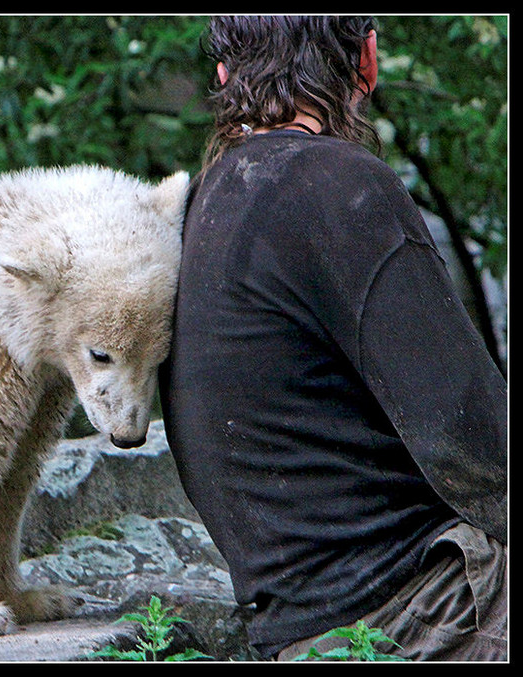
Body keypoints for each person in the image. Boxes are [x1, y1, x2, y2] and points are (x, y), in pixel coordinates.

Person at [159, 16, 507, 661]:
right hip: (419, 612)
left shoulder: (203, 202)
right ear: (367, 61)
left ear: (224, 75)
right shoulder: (338, 187)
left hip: (301, 629)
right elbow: (481, 448)